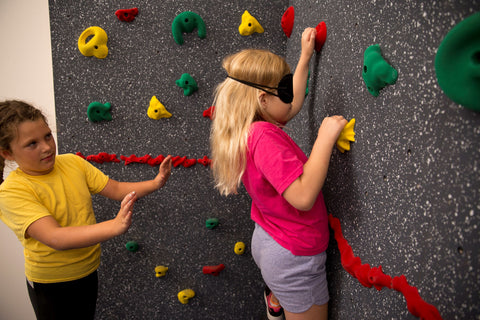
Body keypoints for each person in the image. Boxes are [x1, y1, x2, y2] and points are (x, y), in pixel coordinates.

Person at [210, 28, 347, 320]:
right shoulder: (263, 138)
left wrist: (304, 58)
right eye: (281, 89)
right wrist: (324, 138)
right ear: (262, 99)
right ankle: (282, 296)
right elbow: (302, 196)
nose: (290, 97)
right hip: (293, 257)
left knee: (282, 288)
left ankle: (277, 298)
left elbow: (290, 103)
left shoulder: (248, 128)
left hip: (271, 239)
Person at [0, 100, 172, 320]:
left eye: (47, 136)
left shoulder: (72, 163)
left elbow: (117, 189)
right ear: (8, 153)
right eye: (32, 144)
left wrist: (156, 183)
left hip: (88, 270)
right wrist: (114, 226)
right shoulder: (12, 191)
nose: (46, 147)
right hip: (52, 283)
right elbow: (55, 237)